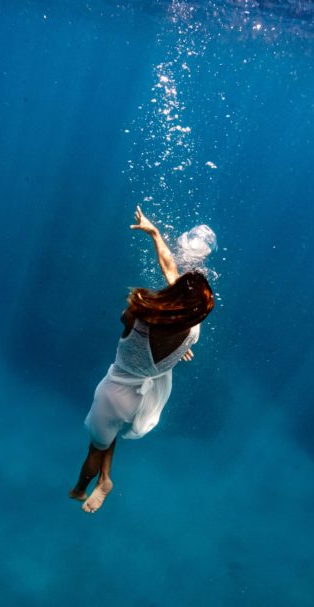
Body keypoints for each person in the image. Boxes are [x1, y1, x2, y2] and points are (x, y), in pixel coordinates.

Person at [69, 206, 215, 513]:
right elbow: (170, 268)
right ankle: (106, 479)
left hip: (114, 391)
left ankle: (81, 488)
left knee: (96, 445)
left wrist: (153, 232)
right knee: (113, 430)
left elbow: (163, 280)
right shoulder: (193, 330)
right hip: (147, 393)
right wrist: (155, 234)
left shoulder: (137, 317)